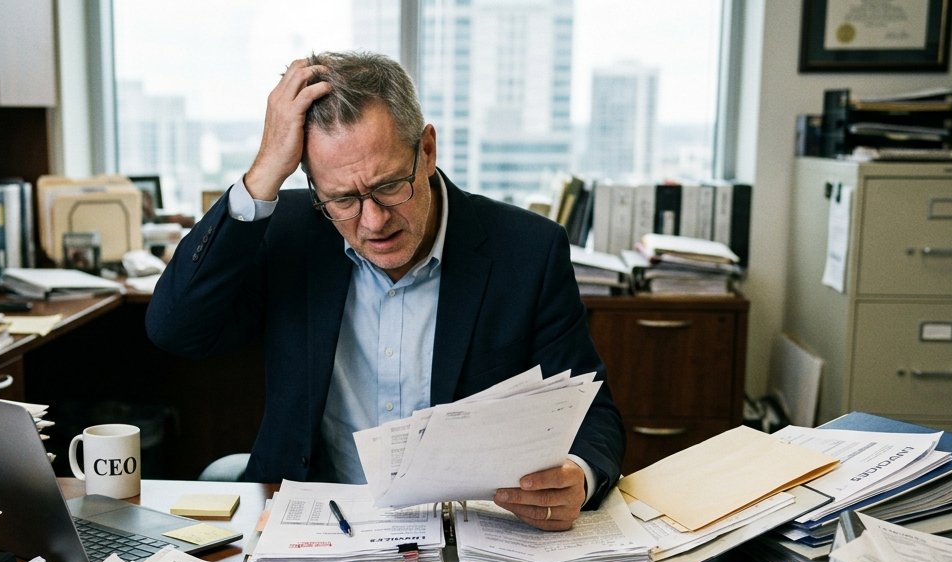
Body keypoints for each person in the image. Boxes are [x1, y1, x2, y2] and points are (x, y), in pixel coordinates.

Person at [147, 51, 624, 530]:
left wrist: (577, 476)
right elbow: (175, 328)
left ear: (428, 150)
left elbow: (590, 410)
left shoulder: (526, 249)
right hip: (313, 524)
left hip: (468, 530)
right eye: (342, 199)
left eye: (391, 186)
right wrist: (263, 172)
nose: (373, 222)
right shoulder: (287, 232)